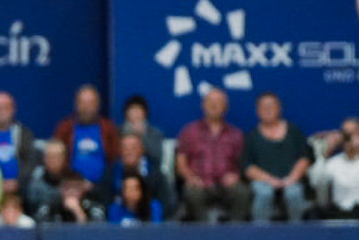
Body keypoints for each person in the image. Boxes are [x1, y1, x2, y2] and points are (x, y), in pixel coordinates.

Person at [177, 88, 252, 222]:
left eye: (218, 102)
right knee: (192, 192)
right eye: (210, 101)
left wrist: (237, 176)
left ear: (226, 107)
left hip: (227, 185)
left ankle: (235, 232)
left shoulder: (236, 134)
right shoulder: (189, 131)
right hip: (199, 183)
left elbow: (244, 163)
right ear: (203, 105)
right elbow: (181, 163)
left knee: (242, 192)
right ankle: (204, 231)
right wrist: (191, 178)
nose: (214, 105)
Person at [243, 92, 313, 222]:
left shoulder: (294, 132)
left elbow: (304, 158)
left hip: (292, 180)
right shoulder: (251, 137)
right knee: (264, 193)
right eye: (263, 107)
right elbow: (248, 167)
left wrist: (291, 179)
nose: (267, 110)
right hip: (263, 181)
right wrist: (270, 180)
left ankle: (298, 230)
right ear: (257, 111)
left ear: (279, 108)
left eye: (271, 106)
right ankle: (260, 230)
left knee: (294, 193)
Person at [51, 85, 119, 188]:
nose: (86, 108)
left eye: (90, 103)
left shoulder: (108, 128)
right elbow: (57, 159)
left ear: (98, 105)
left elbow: (115, 159)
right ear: (76, 105)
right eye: (83, 103)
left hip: (102, 187)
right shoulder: (65, 128)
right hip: (71, 187)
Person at [108, 132, 176, 221]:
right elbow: (105, 200)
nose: (129, 152)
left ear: (141, 150)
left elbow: (168, 202)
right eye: (125, 148)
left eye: (133, 148)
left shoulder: (155, 174)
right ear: (120, 151)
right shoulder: (111, 173)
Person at [0, 90, 38, 191]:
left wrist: (18, 182)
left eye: (5, 107)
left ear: (13, 109)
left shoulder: (25, 133)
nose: (1, 112)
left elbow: (30, 161)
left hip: (20, 189)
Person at [23, 140, 86, 222]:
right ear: (44, 159)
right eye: (49, 156)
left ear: (64, 158)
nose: (53, 160)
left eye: (56, 156)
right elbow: (32, 212)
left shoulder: (74, 180)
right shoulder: (34, 183)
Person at [122, 94, 167, 170]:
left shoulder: (156, 133)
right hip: (124, 170)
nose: (136, 112)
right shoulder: (118, 131)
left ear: (145, 112)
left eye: (139, 109)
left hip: (150, 171)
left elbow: (158, 156)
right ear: (126, 113)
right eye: (132, 109)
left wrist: (143, 135)